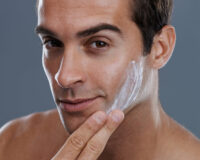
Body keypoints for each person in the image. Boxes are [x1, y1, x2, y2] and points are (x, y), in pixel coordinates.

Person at [0, 0, 200, 159]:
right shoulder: (10, 145)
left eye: (98, 43)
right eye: (52, 43)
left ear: (160, 48)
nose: (64, 76)